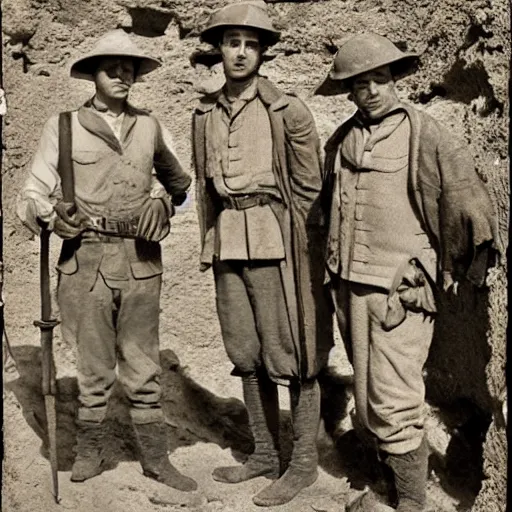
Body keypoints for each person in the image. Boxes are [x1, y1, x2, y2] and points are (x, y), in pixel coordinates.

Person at [316, 33, 498, 511]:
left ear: (395, 80)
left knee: (395, 398)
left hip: (403, 291)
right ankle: (387, 489)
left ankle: (412, 503)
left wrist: (468, 264)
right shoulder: (342, 139)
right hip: (349, 287)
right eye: (361, 84)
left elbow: (466, 196)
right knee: (369, 393)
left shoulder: (425, 132)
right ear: (349, 91)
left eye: (380, 79)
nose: (373, 90)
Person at [17, 29, 197, 492]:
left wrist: (161, 198)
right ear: (92, 75)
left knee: (142, 364)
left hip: (140, 259)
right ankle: (91, 451)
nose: (121, 75)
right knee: (94, 368)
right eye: (110, 67)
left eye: (129, 68)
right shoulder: (62, 127)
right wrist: (52, 215)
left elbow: (179, 182)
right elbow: (32, 195)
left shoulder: (151, 126)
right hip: (86, 260)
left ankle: (156, 459)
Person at [192, 1, 333, 507]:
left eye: (252, 45)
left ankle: (302, 463)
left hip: (277, 240)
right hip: (228, 237)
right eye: (233, 43)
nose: (241, 53)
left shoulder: (286, 109)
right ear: (220, 49)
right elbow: (205, 187)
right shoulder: (204, 111)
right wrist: (208, 242)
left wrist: (308, 257)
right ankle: (265, 454)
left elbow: (310, 189)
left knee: (290, 353)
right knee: (244, 353)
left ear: (263, 54)